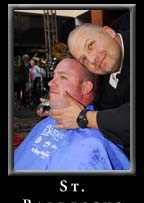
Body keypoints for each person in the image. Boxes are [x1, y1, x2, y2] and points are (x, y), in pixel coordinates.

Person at [14, 58, 129, 170]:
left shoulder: (92, 148)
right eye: (54, 76)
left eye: (62, 77)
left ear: (85, 88)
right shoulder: (49, 119)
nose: (50, 83)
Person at [46, 23, 130, 159]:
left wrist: (83, 118)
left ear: (109, 32)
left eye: (90, 45)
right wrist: (56, 105)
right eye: (84, 59)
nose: (92, 60)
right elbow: (104, 104)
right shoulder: (107, 69)